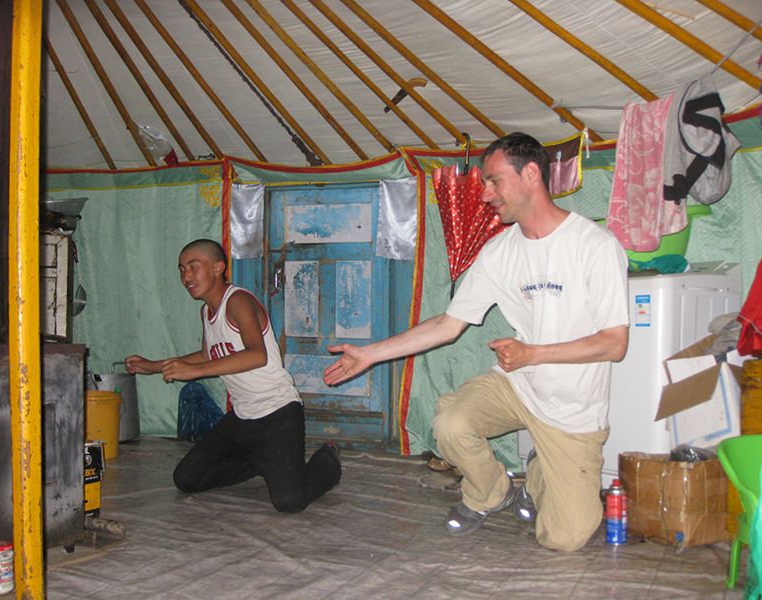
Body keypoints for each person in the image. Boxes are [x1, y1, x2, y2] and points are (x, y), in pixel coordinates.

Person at [324, 133, 629, 551]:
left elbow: (615, 344)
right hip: (518, 387)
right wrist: (370, 354)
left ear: (531, 174)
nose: (485, 195)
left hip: (574, 411)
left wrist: (533, 353)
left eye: (493, 181)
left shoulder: (594, 246)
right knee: (450, 422)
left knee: (565, 539)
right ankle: (492, 493)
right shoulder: (499, 252)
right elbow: (448, 325)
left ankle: (540, 468)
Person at [125, 239, 341, 513]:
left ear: (218, 267)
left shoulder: (238, 301)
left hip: (278, 413)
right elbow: (207, 355)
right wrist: (154, 366)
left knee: (290, 501)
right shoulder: (207, 311)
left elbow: (256, 355)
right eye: (181, 269)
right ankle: (261, 461)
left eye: (193, 267)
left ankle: (329, 460)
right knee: (186, 478)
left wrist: (195, 372)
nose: (186, 276)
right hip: (241, 418)